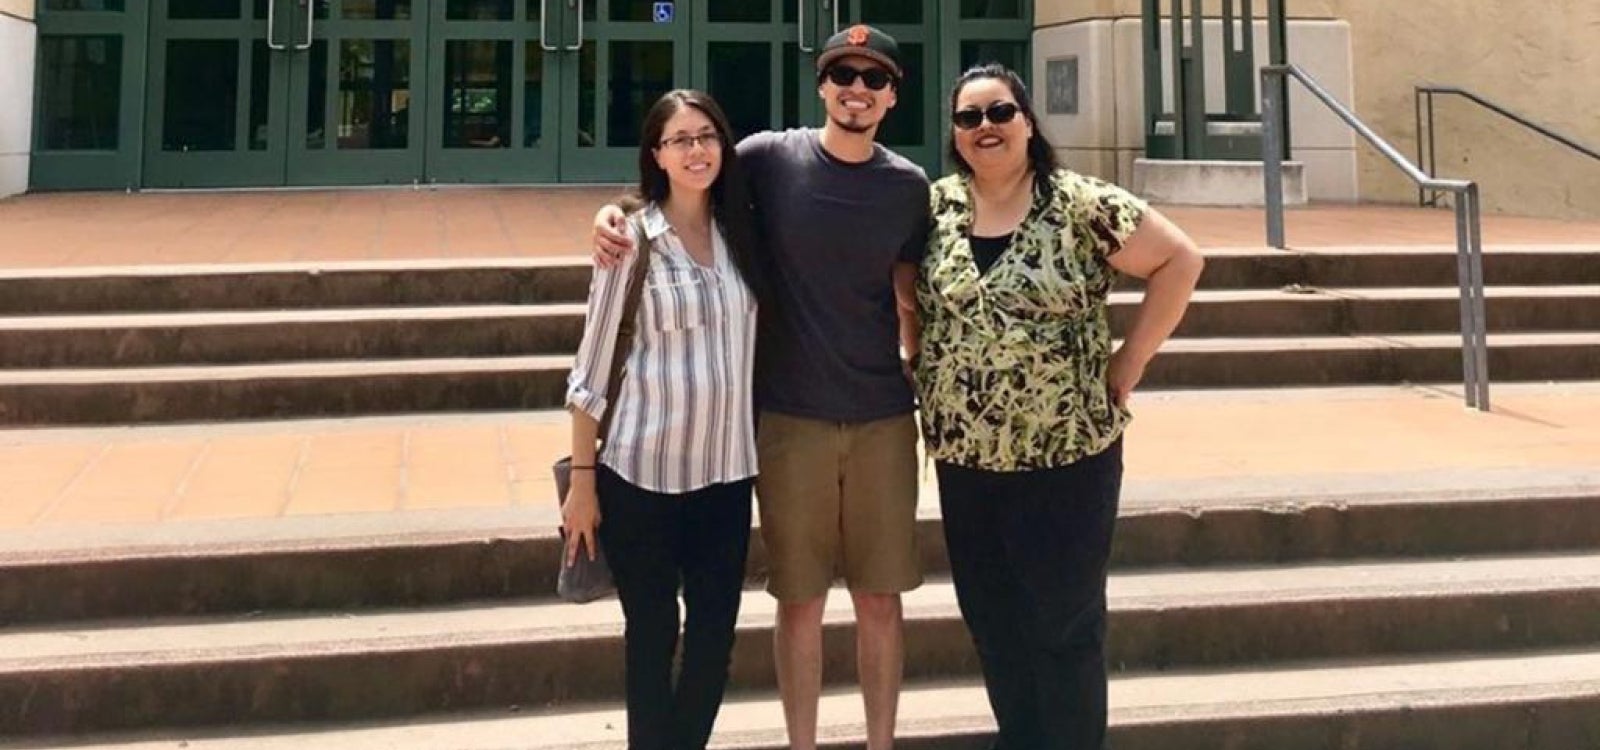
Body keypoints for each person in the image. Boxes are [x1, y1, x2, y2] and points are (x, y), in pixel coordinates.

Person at [593, 25, 930, 750]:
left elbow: (911, 295)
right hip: (787, 421)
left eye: (874, 79)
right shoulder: (769, 159)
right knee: (798, 601)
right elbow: (686, 183)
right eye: (843, 73)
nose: (857, 89)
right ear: (821, 84)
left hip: (881, 418)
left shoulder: (909, 188)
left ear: (893, 96)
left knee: (880, 598)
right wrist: (611, 214)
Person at [910, 63, 1205, 750]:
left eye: (1000, 112)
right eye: (969, 117)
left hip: (1067, 455)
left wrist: (1128, 362)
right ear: (954, 134)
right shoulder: (935, 208)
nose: (986, 127)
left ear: (1028, 121)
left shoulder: (1078, 203)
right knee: (992, 620)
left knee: (1063, 626)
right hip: (967, 459)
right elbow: (906, 293)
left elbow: (1180, 261)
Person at [562, 88, 765, 750]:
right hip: (639, 476)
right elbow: (590, 373)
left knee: (715, 637)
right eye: (681, 139)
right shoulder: (630, 241)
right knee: (651, 638)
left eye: (707, 135)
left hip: (726, 474)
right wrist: (583, 486)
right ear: (657, 155)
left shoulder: (744, 236)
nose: (697, 150)